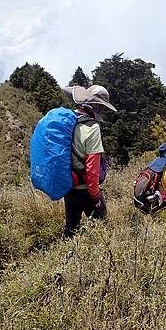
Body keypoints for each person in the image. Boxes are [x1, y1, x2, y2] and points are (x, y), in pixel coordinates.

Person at [62, 85, 117, 238]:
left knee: (71, 228)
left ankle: (66, 260)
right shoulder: (92, 128)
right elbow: (92, 169)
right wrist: (95, 196)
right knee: (103, 229)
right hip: (85, 188)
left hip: (69, 186)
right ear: (96, 105)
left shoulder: (70, 121)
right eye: (102, 107)